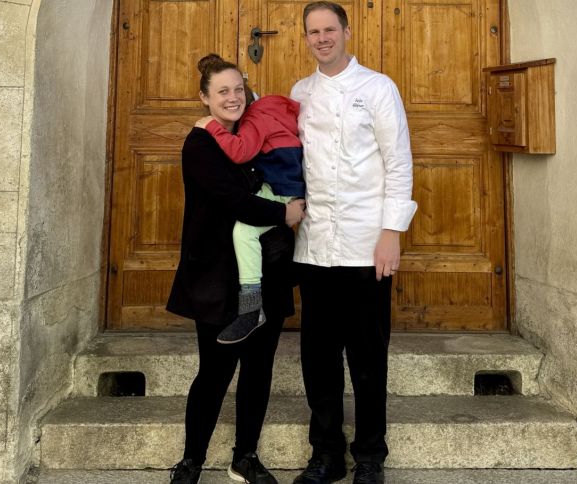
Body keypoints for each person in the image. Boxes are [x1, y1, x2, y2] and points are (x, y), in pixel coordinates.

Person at [289, 2, 417, 484]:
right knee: (318, 360)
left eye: (329, 29)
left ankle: (369, 457)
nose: (321, 38)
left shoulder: (378, 87)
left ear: (346, 31)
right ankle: (326, 456)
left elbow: (398, 161)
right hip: (315, 246)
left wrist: (391, 234)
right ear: (306, 38)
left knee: (367, 358)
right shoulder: (300, 93)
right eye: (312, 32)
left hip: (368, 246)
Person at [166, 53, 306, 484]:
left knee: (259, 370)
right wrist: (284, 214)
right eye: (222, 91)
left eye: (237, 89)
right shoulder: (201, 143)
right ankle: (192, 459)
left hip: (269, 270)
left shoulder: (255, 132)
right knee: (215, 371)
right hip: (218, 279)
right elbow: (235, 201)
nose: (232, 98)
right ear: (205, 98)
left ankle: (245, 456)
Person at [196, 93, 305, 344]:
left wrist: (211, 126)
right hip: (286, 186)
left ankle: (251, 307)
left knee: (244, 232)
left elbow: (240, 151)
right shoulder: (279, 114)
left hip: (280, 189)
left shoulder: (257, 119)